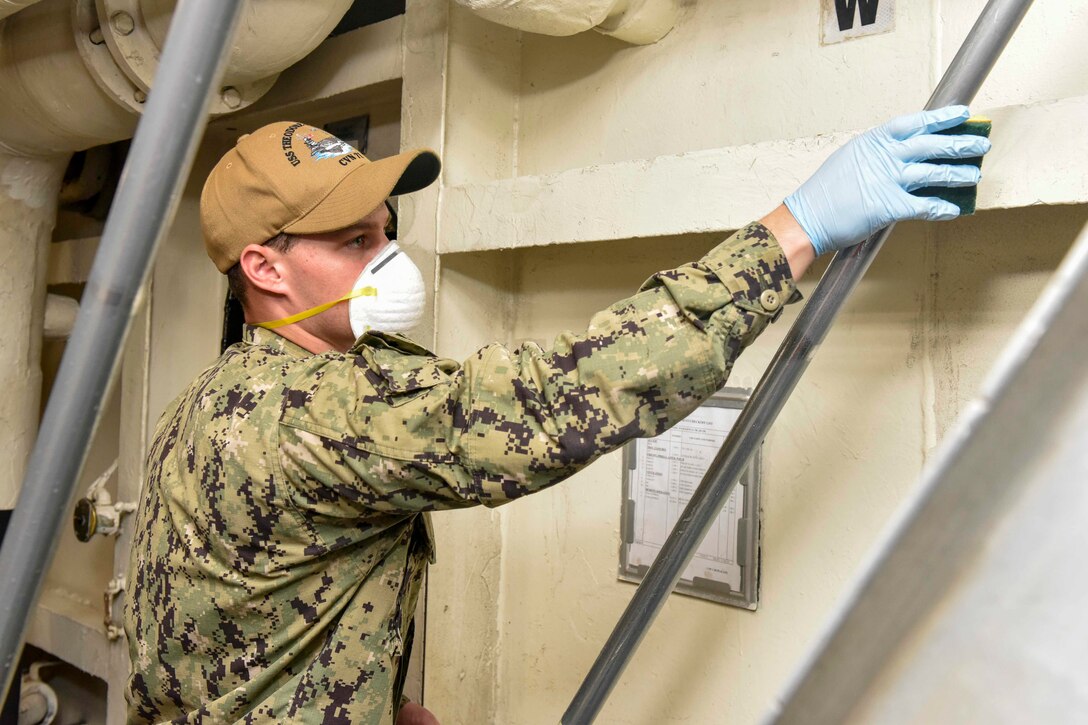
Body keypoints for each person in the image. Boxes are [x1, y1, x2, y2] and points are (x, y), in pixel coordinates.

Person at [123, 107, 990, 724]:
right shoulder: (311, 411)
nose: (386, 257)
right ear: (265, 269)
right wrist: (795, 230)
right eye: (353, 241)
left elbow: (219, 645)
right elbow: (544, 402)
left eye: (385, 231)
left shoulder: (222, 393)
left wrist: (372, 702)